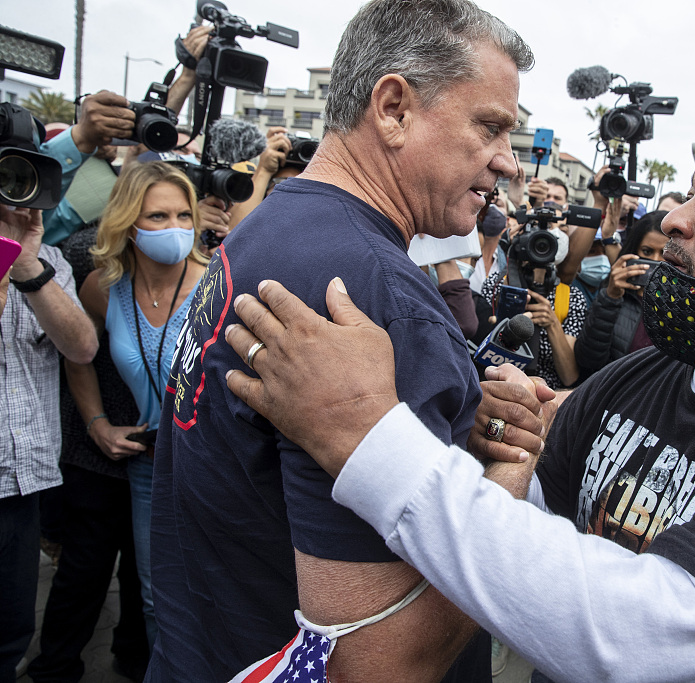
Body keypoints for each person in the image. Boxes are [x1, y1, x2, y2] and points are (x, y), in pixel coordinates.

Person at [219, 118, 695, 682]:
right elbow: (525, 511)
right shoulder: (648, 375)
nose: (674, 217)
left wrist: (367, 433)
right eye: (689, 193)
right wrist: (501, 439)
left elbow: (630, 635)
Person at [147, 2, 535, 682]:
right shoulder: (374, 294)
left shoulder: (276, 220)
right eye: (491, 126)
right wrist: (509, 469)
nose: (507, 161)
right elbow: (374, 664)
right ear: (393, 108)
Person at [1, 91, 127, 683]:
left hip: (22, 485)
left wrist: (25, 267)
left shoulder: (44, 257)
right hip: (56, 469)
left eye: (17, 174)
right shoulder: (71, 250)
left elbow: (80, 345)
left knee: (8, 637)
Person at [61, 162, 207, 655]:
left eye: (184, 215)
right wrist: (97, 423)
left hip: (211, 467)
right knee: (154, 600)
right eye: (158, 217)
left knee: (210, 599)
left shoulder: (219, 286)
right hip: (149, 469)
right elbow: (79, 355)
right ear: (128, 223)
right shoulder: (106, 288)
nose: (176, 229)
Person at [573, 210, 667, 378]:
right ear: (634, 252)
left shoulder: (686, 303)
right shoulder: (616, 295)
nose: (656, 260)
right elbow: (588, 360)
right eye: (647, 251)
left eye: (665, 253)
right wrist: (611, 297)